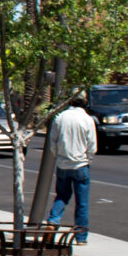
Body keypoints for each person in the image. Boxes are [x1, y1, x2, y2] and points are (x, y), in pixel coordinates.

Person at [46, 93, 97, 244]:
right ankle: (81, 236)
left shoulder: (60, 117)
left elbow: (52, 141)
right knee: (81, 202)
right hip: (80, 164)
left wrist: (59, 157)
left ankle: (53, 221)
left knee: (61, 195)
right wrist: (88, 159)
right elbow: (92, 145)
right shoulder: (87, 119)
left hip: (63, 163)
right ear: (85, 102)